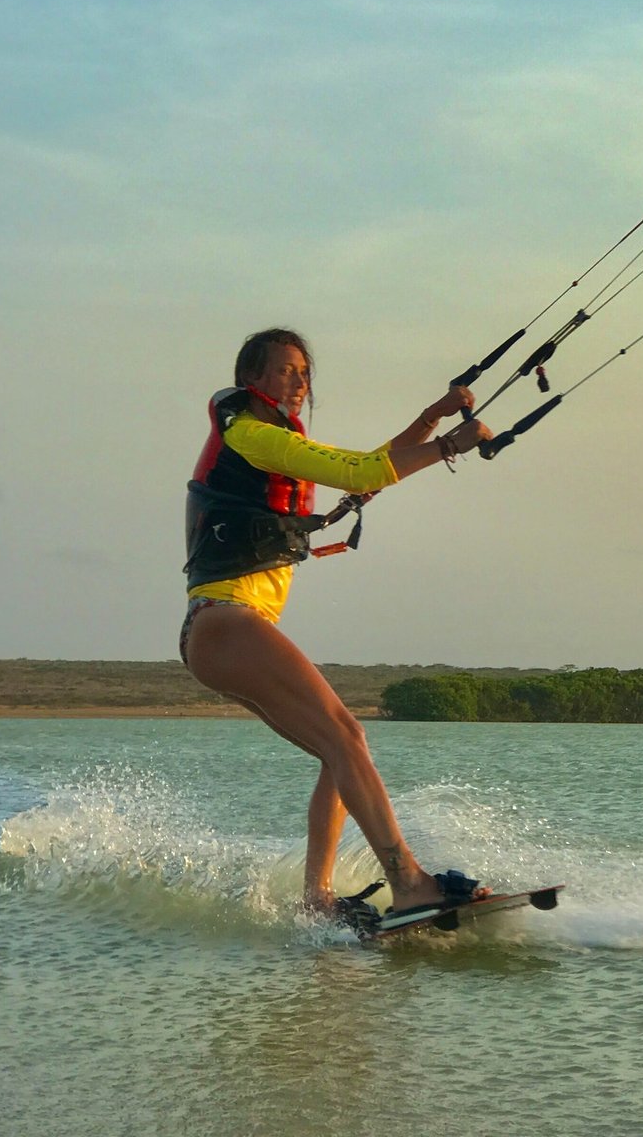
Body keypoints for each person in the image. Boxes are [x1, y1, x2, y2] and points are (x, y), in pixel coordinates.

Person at [179, 326, 493, 919]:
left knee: (340, 751)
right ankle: (410, 881)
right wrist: (450, 443)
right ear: (255, 380)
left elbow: (373, 465)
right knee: (346, 736)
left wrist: (435, 415)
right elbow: (359, 473)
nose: (299, 381)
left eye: (305, 372)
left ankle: (315, 900)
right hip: (225, 621)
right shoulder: (250, 434)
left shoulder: (272, 444)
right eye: (285, 370)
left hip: (219, 633)